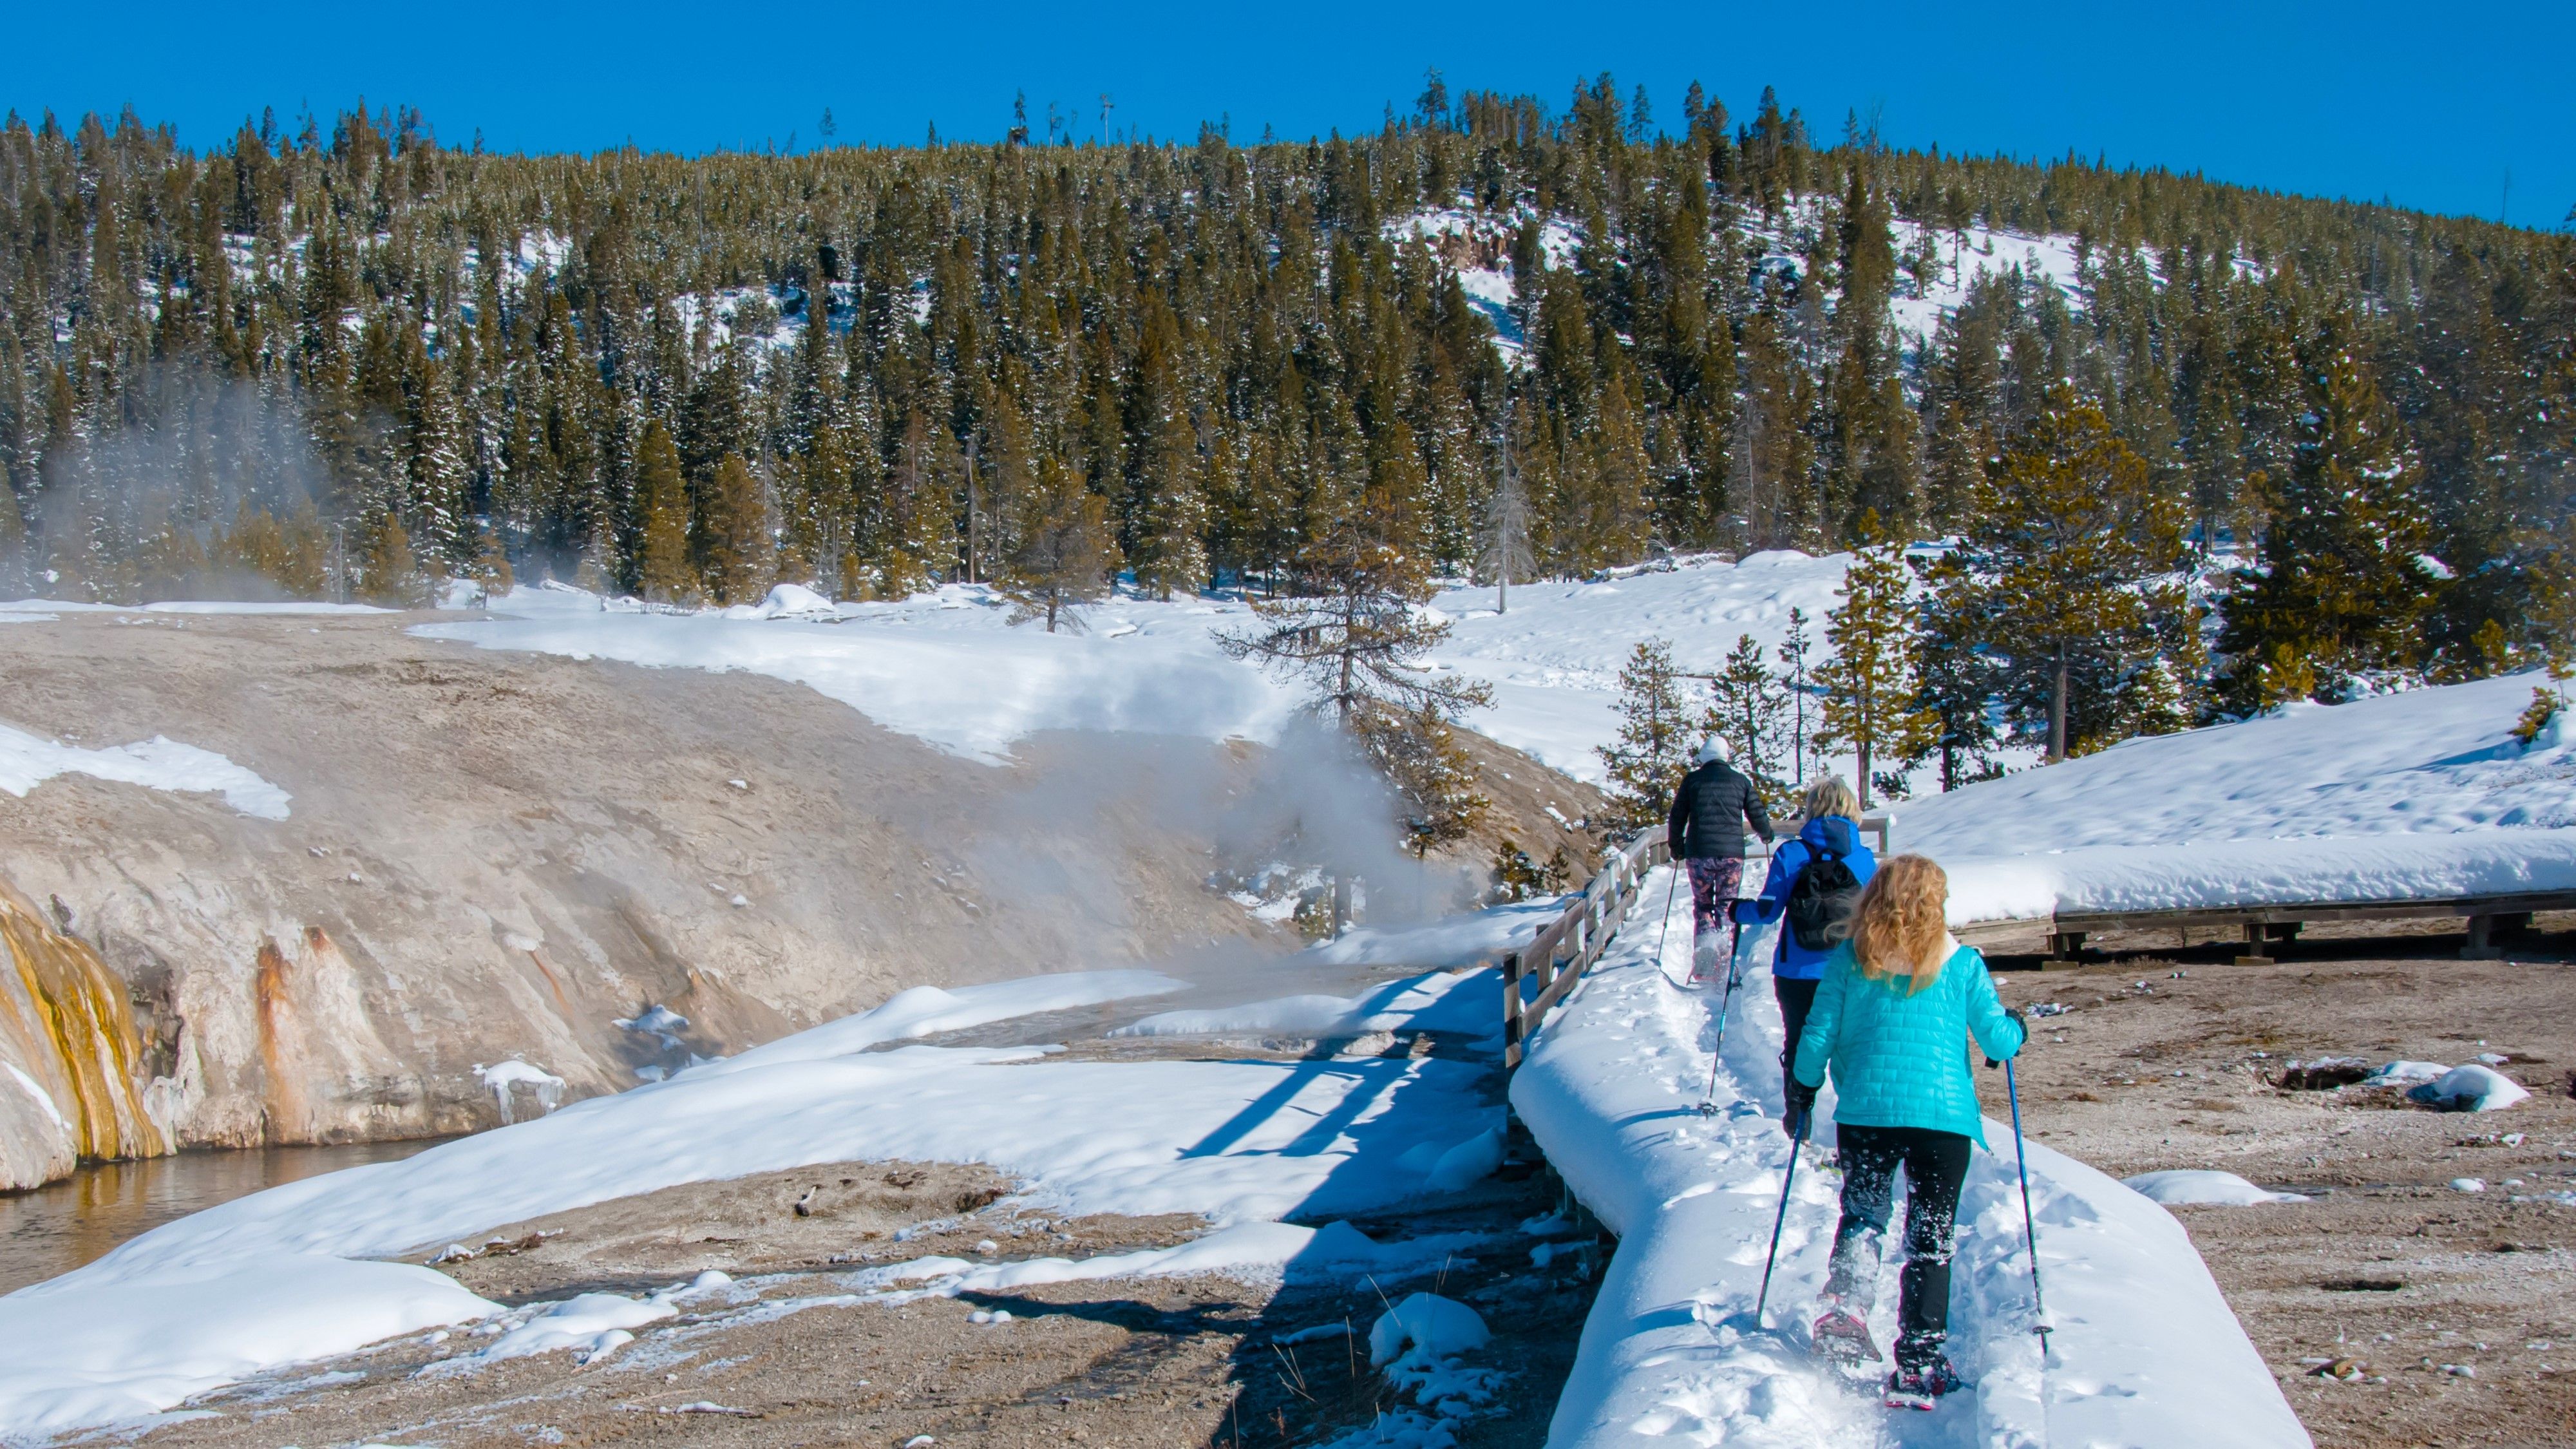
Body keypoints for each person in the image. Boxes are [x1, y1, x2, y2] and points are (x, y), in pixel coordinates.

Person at [1785, 853, 2027, 1403]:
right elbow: (1997, 1043)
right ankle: (1919, 1360)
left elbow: (1817, 1035)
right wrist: (2017, 1029)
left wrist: (1804, 1087)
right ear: (1936, 902)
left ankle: (1847, 1307)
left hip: (1868, 1113)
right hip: (1941, 1122)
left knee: (1865, 1215)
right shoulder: (1962, 963)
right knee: (1931, 1237)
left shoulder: (1850, 960)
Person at [1732, 777, 1875, 1102]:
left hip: (1797, 971)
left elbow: (1768, 911)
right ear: (1852, 809)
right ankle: (1851, 1125)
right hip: (1849, 969)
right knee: (1849, 1047)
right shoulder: (1864, 859)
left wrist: (1738, 911)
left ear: (1812, 808)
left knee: (1799, 1042)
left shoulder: (1793, 853)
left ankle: (1799, 1121)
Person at [1664, 739, 1773, 979]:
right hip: (1731, 855)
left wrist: (1676, 846)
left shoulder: (1692, 781)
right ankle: (1724, 958)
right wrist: (1766, 834)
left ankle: (1705, 955)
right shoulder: (1740, 781)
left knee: (1703, 904)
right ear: (1726, 756)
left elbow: (1677, 816)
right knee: (1727, 905)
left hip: (1699, 853)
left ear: (1704, 757)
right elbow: (1756, 813)